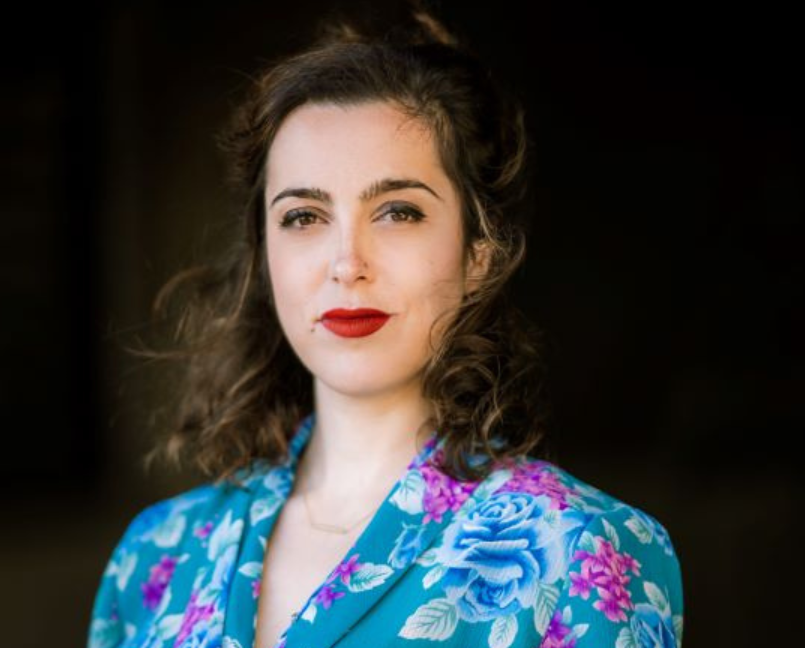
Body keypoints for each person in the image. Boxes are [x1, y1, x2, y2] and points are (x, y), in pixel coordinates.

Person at [88, 8, 684, 648]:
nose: (347, 263)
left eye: (398, 211)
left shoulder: (581, 550)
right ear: (264, 259)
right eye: (303, 217)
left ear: (478, 255)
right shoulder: (157, 556)